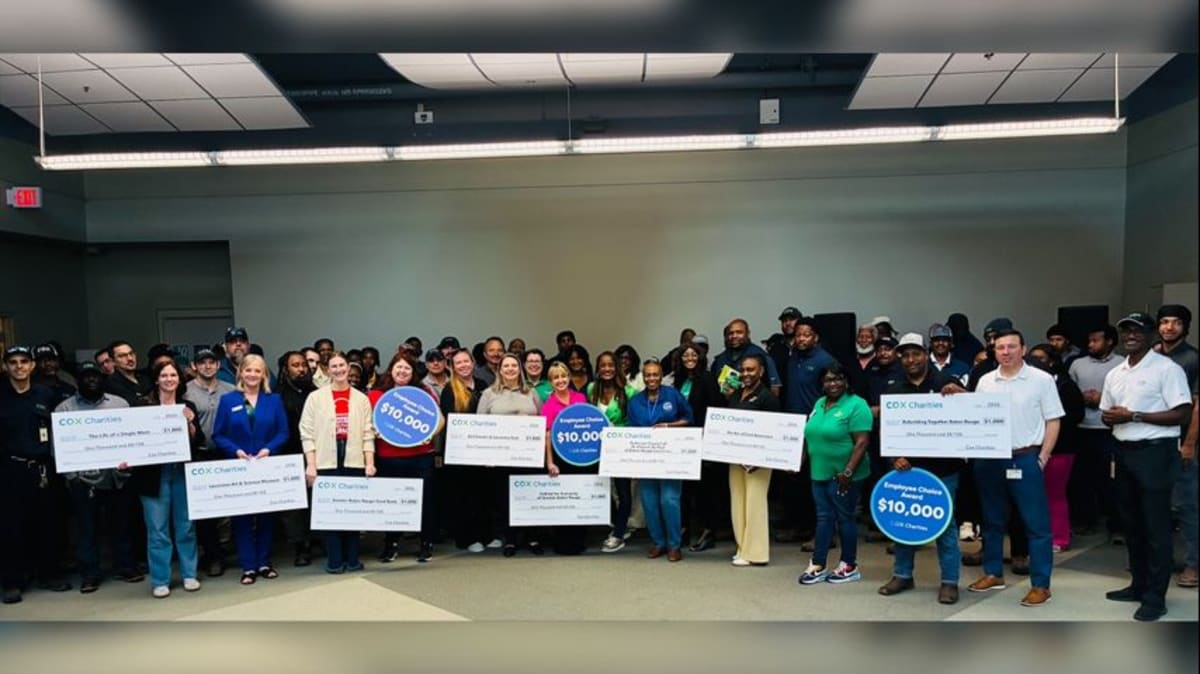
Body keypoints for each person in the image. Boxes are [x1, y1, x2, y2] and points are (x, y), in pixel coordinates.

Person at [956, 329, 1064, 607]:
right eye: (1000, 347)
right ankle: (993, 573)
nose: (1005, 352)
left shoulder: (1041, 380)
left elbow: (1054, 420)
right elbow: (975, 418)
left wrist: (1044, 456)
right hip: (989, 460)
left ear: (1023, 349)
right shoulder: (985, 381)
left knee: (1036, 524)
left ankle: (1041, 585)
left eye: (1011, 347)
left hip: (1025, 457)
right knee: (991, 521)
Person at [1100, 312, 1192, 621]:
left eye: (1138, 330)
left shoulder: (1168, 369)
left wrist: (1135, 416)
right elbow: (1106, 412)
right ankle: (1138, 585)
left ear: (1152, 334)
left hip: (1155, 453)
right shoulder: (1116, 373)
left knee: (1156, 527)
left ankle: (1156, 596)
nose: (1131, 336)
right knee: (1132, 524)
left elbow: (1181, 413)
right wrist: (1111, 417)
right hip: (1124, 452)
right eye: (1126, 330)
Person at [876, 334, 964, 604]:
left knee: (945, 526)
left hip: (943, 469)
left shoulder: (944, 381)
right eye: (905, 355)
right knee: (903, 524)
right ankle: (903, 574)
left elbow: (971, 415)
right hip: (907, 470)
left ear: (926, 355)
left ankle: (950, 582)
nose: (911, 360)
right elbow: (886, 429)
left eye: (915, 354)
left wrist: (962, 395)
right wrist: (893, 458)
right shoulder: (894, 389)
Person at [55, 362, 144, 594]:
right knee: (87, 530)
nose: (91, 381)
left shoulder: (119, 404)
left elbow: (130, 436)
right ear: (78, 380)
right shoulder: (65, 409)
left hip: (116, 476)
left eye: (95, 376)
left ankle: (125, 566)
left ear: (102, 379)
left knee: (121, 525)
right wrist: (73, 476)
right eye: (86, 377)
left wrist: (129, 464)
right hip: (83, 480)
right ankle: (90, 574)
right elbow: (59, 448)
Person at [1, 345, 72, 604]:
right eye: (13, 362)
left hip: (43, 469)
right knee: (10, 528)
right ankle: (12, 580)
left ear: (32, 366)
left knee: (48, 524)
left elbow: (64, 430)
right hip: (10, 469)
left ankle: (49, 574)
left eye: (24, 361)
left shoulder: (46, 394)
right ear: (6, 366)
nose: (19, 366)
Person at [212, 354, 290, 586]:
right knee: (242, 518)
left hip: (267, 465)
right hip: (240, 466)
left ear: (264, 374)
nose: (253, 375)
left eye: (258, 371)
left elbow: (283, 432)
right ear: (241, 373)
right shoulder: (228, 400)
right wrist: (235, 451)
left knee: (267, 516)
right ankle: (248, 566)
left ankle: (264, 562)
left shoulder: (273, 400)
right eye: (248, 370)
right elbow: (218, 434)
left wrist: (269, 449)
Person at [131, 360, 204, 598]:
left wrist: (190, 422)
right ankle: (160, 579)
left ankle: (189, 574)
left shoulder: (187, 404)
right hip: (153, 475)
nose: (170, 379)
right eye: (164, 375)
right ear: (156, 379)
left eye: (174, 375)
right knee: (157, 529)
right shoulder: (142, 406)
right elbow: (133, 439)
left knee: (186, 526)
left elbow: (198, 441)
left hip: (181, 472)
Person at [299, 352, 377, 574]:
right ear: (327, 369)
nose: (339, 370)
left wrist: (369, 462)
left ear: (348, 367)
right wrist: (311, 464)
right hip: (325, 459)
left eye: (342, 365)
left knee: (352, 512)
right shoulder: (315, 397)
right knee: (331, 513)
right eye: (333, 366)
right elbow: (307, 433)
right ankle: (334, 561)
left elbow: (367, 433)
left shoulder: (361, 399)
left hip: (354, 459)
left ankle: (353, 560)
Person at [798, 363, 871, 585]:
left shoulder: (857, 405)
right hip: (819, 471)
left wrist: (848, 471)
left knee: (844, 518)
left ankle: (849, 565)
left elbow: (862, 442)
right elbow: (810, 434)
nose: (833, 384)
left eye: (838, 379)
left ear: (847, 381)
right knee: (823, 517)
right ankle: (818, 564)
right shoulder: (819, 403)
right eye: (828, 380)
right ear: (822, 384)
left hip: (845, 475)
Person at [371, 352, 442, 563]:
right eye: (398, 367)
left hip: (420, 457)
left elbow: (440, 420)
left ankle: (425, 543)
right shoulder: (376, 394)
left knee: (424, 501)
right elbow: (367, 423)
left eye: (407, 369)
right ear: (391, 369)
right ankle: (391, 544)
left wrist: (429, 433)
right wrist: (373, 430)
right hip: (388, 457)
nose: (402, 371)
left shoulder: (423, 393)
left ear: (413, 373)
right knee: (392, 502)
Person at [626, 359, 694, 562]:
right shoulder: (635, 401)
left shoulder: (672, 395)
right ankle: (658, 543)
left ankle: (674, 545)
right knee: (649, 502)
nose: (651, 378)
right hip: (646, 458)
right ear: (643, 376)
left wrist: (669, 426)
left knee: (669, 500)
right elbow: (630, 432)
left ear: (661, 375)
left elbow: (689, 418)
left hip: (671, 457)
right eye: (648, 375)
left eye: (655, 374)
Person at [777, 317, 837, 546]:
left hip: (817, 429)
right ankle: (802, 528)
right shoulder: (794, 357)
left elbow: (835, 395)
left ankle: (824, 534)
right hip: (793, 428)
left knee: (819, 482)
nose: (801, 339)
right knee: (797, 483)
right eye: (798, 334)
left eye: (806, 335)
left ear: (816, 337)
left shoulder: (825, 361)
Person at [478, 353, 544, 557]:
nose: (510, 369)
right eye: (505, 366)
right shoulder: (489, 394)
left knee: (529, 496)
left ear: (520, 369)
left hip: (529, 457)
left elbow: (542, 421)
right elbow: (481, 425)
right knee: (505, 498)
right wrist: (486, 456)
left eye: (514, 365)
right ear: (500, 370)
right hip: (501, 459)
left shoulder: (531, 392)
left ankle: (532, 537)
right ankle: (511, 539)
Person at [1153, 304, 1199, 589]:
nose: (1169, 327)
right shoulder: (1152, 356)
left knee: (1187, 505)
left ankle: (1194, 563)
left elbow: (1197, 406)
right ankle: (1161, 559)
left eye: (1176, 323)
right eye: (1164, 322)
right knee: (1157, 504)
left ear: (1185, 327)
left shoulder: (1192, 358)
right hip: (1154, 442)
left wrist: (1190, 443)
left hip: (1182, 443)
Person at [183, 347, 237, 577]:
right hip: (199, 454)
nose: (207, 366)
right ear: (194, 366)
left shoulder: (232, 390)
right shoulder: (184, 391)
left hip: (227, 453)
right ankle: (212, 554)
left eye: (211, 362)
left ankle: (223, 550)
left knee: (227, 507)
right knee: (205, 509)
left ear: (218, 365)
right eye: (202, 362)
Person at [1068, 324, 1124, 543]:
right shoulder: (1077, 364)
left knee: (1112, 481)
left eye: (1096, 340)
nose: (1090, 345)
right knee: (1082, 480)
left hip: (1111, 430)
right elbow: (1067, 393)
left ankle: (1116, 526)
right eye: (1089, 341)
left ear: (1109, 341)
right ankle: (1085, 520)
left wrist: (1102, 399)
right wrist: (1082, 398)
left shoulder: (1122, 364)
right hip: (1082, 429)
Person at [1027, 343, 1085, 552]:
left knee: (1055, 494)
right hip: (1033, 448)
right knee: (1036, 496)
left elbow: (1077, 415)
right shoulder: (1029, 385)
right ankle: (1041, 535)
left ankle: (1060, 537)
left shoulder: (1065, 386)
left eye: (1041, 359)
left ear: (1052, 361)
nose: (1036, 363)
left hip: (1061, 448)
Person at [670, 341, 727, 552]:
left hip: (703, 440)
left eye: (694, 355)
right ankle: (684, 528)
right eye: (685, 356)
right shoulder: (677, 380)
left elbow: (715, 409)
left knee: (706, 490)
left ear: (700, 357)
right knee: (684, 490)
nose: (690, 359)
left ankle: (708, 531)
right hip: (681, 441)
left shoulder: (708, 378)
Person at [726, 354, 781, 567]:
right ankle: (743, 547)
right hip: (736, 459)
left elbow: (774, 431)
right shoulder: (736, 394)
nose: (747, 374)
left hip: (757, 462)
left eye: (751, 370)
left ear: (761, 372)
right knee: (738, 502)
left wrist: (758, 459)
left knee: (755, 504)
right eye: (744, 370)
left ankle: (756, 553)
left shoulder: (768, 397)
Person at [439, 349, 494, 552]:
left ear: (472, 363)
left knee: (483, 494)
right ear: (453, 367)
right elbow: (450, 421)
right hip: (460, 453)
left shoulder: (482, 386)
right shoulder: (449, 389)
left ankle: (485, 535)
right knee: (464, 496)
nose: (463, 365)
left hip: (482, 451)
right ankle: (467, 538)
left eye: (466, 361)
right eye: (458, 363)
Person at [588, 351, 636, 553]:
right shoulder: (592, 389)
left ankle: (618, 534)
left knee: (623, 492)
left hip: (620, 449)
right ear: (598, 368)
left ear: (617, 367)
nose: (607, 369)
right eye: (603, 365)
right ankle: (618, 524)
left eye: (610, 365)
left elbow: (634, 422)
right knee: (603, 491)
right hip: (597, 449)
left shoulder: (629, 392)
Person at [542, 361, 592, 555]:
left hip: (582, 457)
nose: (560, 380)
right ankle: (563, 542)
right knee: (564, 500)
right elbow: (547, 435)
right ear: (551, 382)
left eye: (563, 376)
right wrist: (550, 462)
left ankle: (579, 540)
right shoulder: (548, 405)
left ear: (569, 377)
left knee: (581, 498)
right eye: (556, 378)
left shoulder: (580, 398)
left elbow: (590, 424)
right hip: (561, 459)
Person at [275, 350, 316, 566]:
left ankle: (319, 540)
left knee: (316, 500)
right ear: (286, 369)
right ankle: (301, 547)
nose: (301, 369)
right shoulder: (277, 395)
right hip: (288, 454)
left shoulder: (317, 392)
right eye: (295, 365)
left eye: (303, 365)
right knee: (294, 507)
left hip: (316, 454)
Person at [710, 319, 780, 396]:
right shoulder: (720, 359)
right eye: (731, 333)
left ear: (748, 334)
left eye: (739, 332)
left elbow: (774, 389)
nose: (734, 336)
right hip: (725, 406)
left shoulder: (760, 355)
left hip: (753, 406)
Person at [104, 340, 153, 406]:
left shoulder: (145, 377)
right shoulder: (111, 383)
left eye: (131, 353)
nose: (130, 358)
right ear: (113, 361)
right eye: (122, 356)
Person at [765, 307, 802, 378]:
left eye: (791, 320)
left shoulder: (805, 344)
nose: (788, 323)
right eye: (784, 320)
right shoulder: (775, 344)